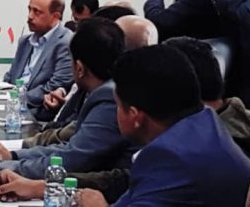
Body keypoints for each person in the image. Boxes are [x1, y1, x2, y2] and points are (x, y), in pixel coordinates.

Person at [0, 45, 250, 206]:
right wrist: (41, 188)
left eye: (117, 105)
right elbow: (127, 185)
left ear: (135, 115)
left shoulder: (172, 157)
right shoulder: (205, 126)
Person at [0, 18, 135, 179]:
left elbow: (72, 159)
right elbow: (68, 147)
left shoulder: (109, 98)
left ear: (79, 68)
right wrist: (12, 156)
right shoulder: (106, 90)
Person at [24, 16, 158, 149]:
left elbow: (74, 154)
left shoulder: (110, 96)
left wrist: (17, 154)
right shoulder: (94, 89)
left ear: (79, 68)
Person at [3, 0, 73, 120]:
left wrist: (14, 99)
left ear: (55, 16)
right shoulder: (25, 41)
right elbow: (10, 77)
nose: (30, 16)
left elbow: (54, 86)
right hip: (12, 108)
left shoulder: (66, 42)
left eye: (37, 12)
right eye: (29, 9)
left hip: (37, 114)